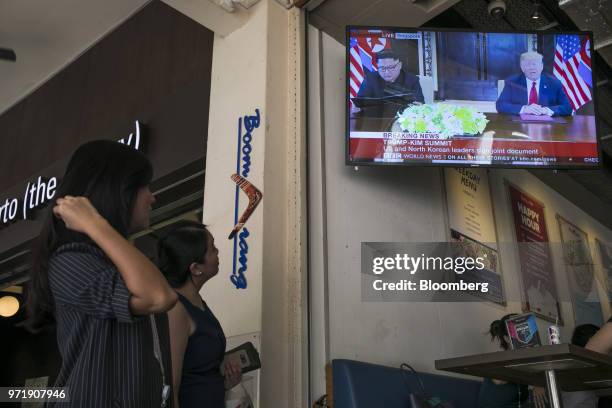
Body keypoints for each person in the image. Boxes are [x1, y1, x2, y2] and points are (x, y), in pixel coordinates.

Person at [23, 140, 178, 407]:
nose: (152, 196)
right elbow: (158, 296)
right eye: (144, 186)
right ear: (119, 191)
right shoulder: (70, 260)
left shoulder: (119, 264)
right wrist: (95, 223)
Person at [158, 221, 243, 408]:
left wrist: (224, 384)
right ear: (195, 268)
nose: (218, 252)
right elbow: (170, 386)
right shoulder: (176, 310)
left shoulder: (199, 303)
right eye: (212, 249)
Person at [478, 314, 532, 408]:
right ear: (507, 338)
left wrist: (540, 384)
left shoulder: (524, 361)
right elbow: (498, 380)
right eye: (519, 331)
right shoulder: (499, 359)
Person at [496, 51, 572, 117]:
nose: (532, 68)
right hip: (520, 124)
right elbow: (500, 105)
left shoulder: (554, 83)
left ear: (541, 66)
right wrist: (524, 109)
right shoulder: (512, 82)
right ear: (522, 68)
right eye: (528, 65)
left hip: (547, 126)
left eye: (535, 64)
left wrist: (546, 110)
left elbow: (568, 107)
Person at [354, 49, 424, 117]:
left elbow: (420, 105)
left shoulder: (412, 80)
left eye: (391, 67)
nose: (387, 72)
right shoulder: (370, 79)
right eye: (382, 68)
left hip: (403, 120)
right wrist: (357, 108)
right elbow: (360, 102)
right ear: (377, 66)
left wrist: (418, 107)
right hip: (377, 120)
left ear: (399, 65)